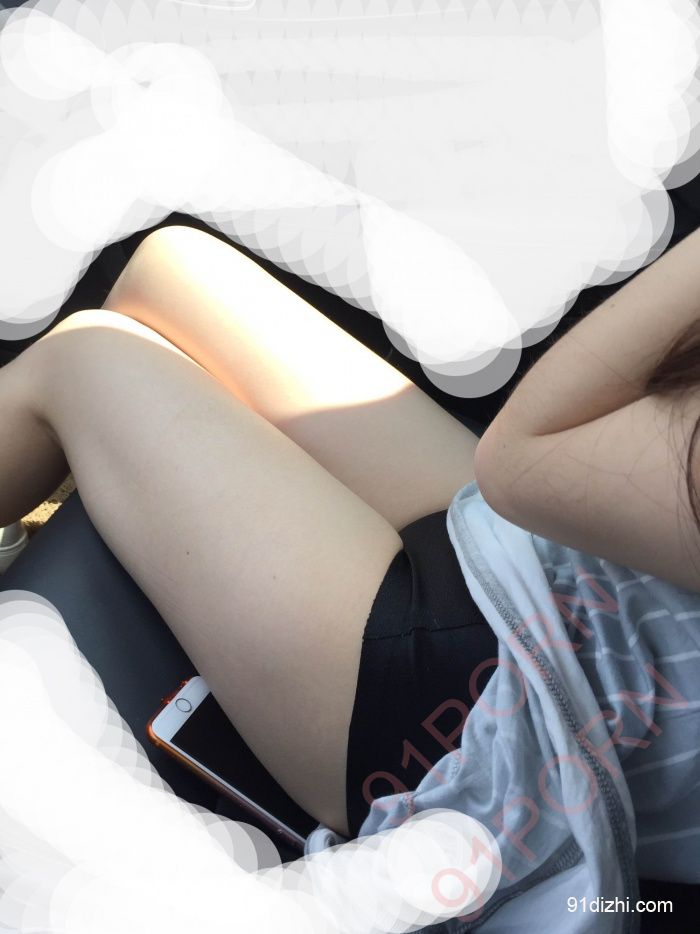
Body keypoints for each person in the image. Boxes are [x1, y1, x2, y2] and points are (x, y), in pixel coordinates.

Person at [1, 224, 699, 922]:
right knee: (166, 273)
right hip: (555, 570)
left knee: (82, 359)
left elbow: (523, 459)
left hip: (504, 724)